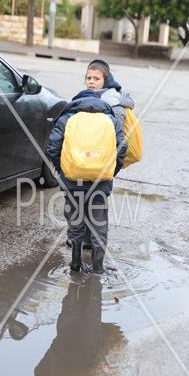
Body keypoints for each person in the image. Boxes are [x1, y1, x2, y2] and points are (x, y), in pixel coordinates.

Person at [46, 89, 126, 273]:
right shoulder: (111, 120)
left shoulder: (67, 119)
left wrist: (64, 172)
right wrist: (109, 172)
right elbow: (122, 150)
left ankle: (75, 265)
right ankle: (98, 268)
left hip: (73, 182)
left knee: (75, 222)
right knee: (98, 224)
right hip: (100, 182)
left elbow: (52, 148)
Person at [72, 59, 135, 251]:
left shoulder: (113, 104)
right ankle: (85, 241)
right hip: (83, 160)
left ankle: (94, 246)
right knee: (81, 201)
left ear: (105, 80)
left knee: (96, 205)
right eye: (88, 78)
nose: (91, 81)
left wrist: (112, 167)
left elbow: (120, 141)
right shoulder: (84, 98)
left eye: (96, 78)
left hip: (102, 163)